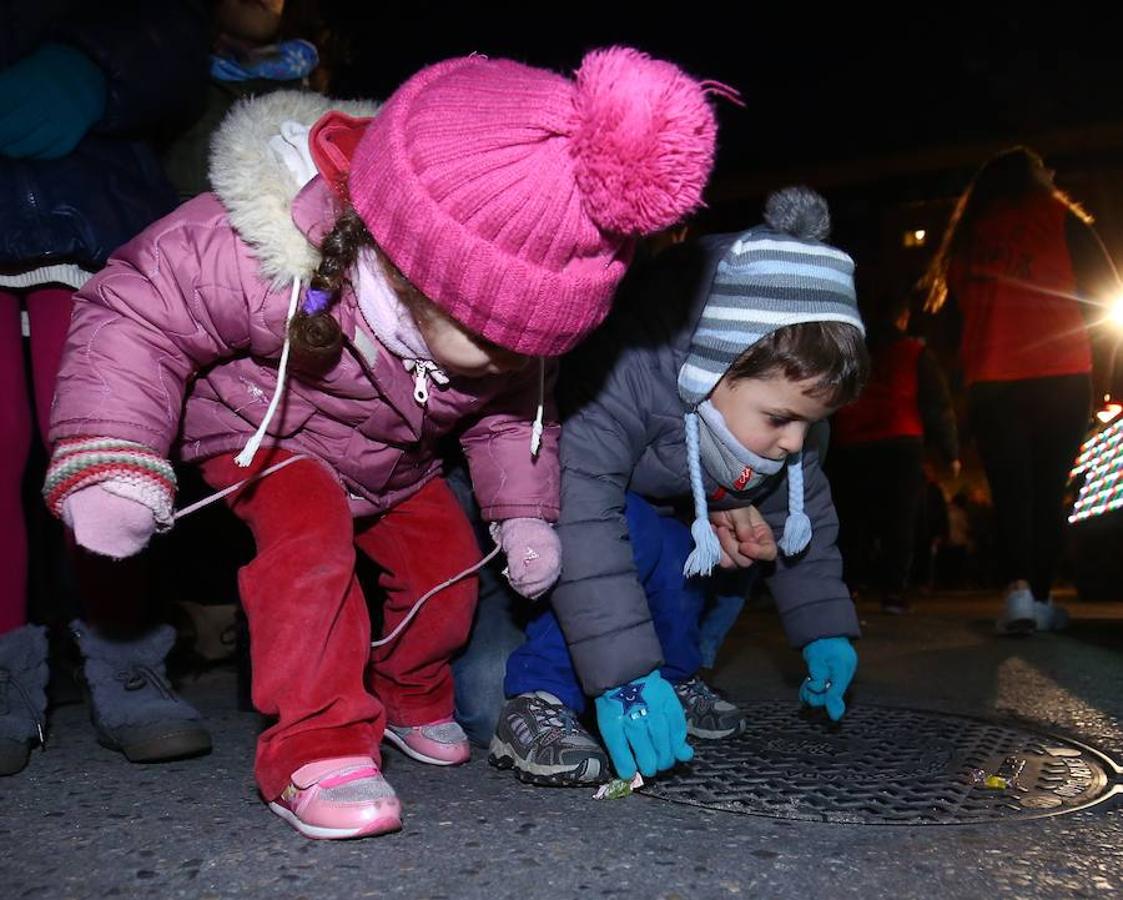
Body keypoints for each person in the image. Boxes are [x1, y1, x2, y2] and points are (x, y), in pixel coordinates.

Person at [43, 47, 719, 839]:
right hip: (266, 429)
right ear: (416, 267)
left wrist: (522, 513)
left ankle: (406, 690)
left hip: (391, 459)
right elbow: (137, 307)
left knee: (445, 564)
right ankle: (317, 747)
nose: (518, 361)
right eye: (500, 340)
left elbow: (514, 411)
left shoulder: (509, 351)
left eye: (537, 347)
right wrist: (111, 453)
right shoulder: (262, 254)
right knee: (310, 544)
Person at [489, 187, 870, 786]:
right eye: (780, 419)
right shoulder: (625, 374)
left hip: (650, 521)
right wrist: (621, 678)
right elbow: (581, 515)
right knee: (636, 536)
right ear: (715, 368)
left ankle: (673, 671)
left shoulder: (774, 421)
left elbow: (808, 523)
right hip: (530, 529)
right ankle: (538, 700)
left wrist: (825, 631)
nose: (795, 442)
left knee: (721, 537)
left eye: (811, 423)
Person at [0, 1, 211, 778]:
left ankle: (128, 655)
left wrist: (96, 71)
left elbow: (181, 37)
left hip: (94, 194)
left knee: (99, 430)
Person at [922, 146, 1120, 633]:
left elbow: (949, 322)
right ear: (1037, 179)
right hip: (1061, 373)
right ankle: (1042, 596)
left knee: (1011, 491)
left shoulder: (970, 235)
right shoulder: (1060, 218)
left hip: (993, 382)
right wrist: (1103, 370)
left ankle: (1016, 595)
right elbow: (1104, 285)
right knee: (1050, 491)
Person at [830, 295, 959, 613]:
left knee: (853, 517)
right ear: (902, 317)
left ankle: (850, 583)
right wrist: (949, 450)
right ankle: (894, 591)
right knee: (900, 518)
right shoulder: (914, 353)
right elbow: (935, 403)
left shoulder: (855, 353)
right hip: (901, 438)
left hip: (854, 440)